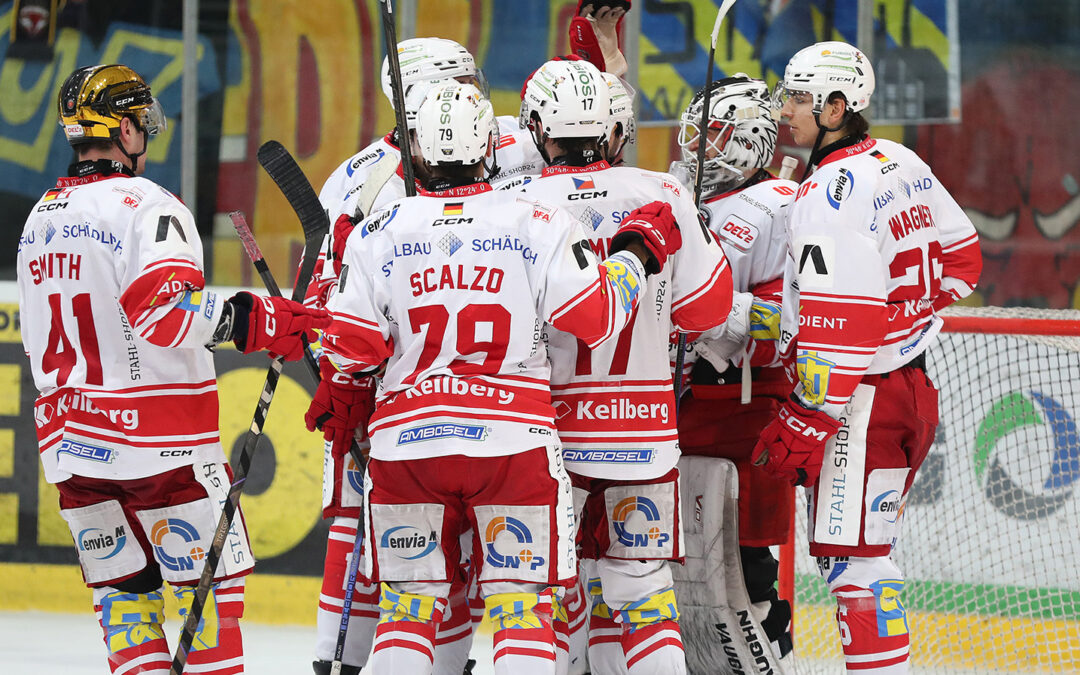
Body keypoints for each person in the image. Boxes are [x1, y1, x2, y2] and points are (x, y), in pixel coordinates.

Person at [319, 81, 679, 675]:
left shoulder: (377, 231)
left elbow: (351, 350)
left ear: (415, 150)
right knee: (522, 612)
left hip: (409, 446)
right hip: (513, 445)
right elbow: (594, 319)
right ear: (490, 142)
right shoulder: (537, 217)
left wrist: (345, 298)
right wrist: (637, 254)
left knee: (407, 612)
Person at [17, 64, 328, 675]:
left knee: (126, 612)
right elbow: (164, 315)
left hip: (72, 451)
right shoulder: (145, 206)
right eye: (143, 125)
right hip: (161, 454)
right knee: (206, 615)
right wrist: (258, 319)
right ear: (127, 129)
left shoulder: (37, 221)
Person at [761, 41, 982, 672]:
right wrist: (908, 320)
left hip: (858, 404)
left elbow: (845, 328)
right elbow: (965, 262)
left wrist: (811, 414)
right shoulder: (900, 159)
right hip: (909, 388)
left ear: (837, 107)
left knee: (853, 567)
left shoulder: (828, 195)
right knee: (867, 559)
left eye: (800, 98)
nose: (787, 110)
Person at [516, 58, 734, 675]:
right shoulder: (663, 193)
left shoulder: (517, 205)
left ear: (537, 127)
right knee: (642, 596)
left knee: (547, 600)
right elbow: (710, 312)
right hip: (640, 428)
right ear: (612, 131)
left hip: (548, 434)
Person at [667, 75, 797, 663]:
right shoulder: (677, 195)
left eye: (716, 135)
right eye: (697, 131)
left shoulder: (782, 205)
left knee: (748, 574)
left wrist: (723, 311)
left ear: (750, 141)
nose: (698, 146)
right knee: (669, 573)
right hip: (676, 412)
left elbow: (794, 322)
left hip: (745, 413)